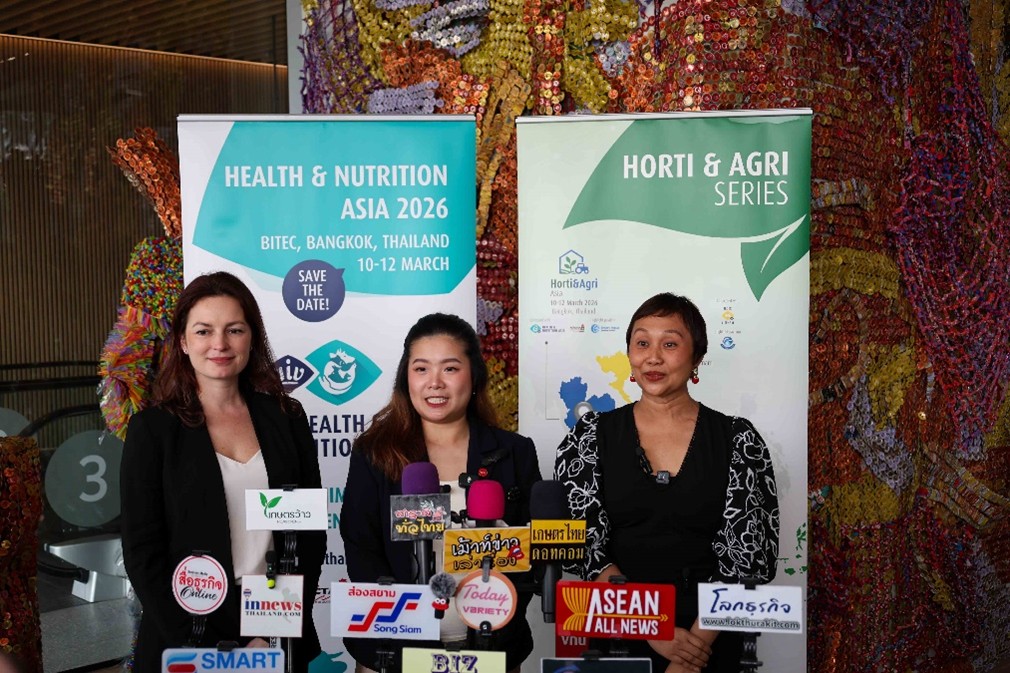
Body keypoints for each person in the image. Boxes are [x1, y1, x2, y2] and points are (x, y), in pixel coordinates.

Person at [554, 293, 780, 673]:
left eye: (670, 344)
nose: (653, 357)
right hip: (619, 630)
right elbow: (585, 549)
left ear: (697, 357)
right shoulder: (589, 437)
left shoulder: (738, 439)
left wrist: (690, 653)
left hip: (709, 639)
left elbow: (747, 557)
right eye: (642, 343)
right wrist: (652, 627)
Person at [120, 271, 326, 673]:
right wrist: (206, 645)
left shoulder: (287, 417)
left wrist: (272, 630)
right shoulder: (152, 431)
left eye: (234, 330)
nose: (220, 344)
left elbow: (310, 537)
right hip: (186, 635)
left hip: (275, 624)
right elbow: (143, 554)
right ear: (183, 342)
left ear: (252, 338)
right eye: (204, 331)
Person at [339, 313, 541, 673]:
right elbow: (362, 549)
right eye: (421, 369)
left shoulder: (515, 452)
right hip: (393, 652)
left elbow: (532, 550)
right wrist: (404, 631)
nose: (434, 383)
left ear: (474, 375)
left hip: (493, 649)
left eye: (450, 368)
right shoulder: (375, 453)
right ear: (406, 378)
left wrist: (497, 615)